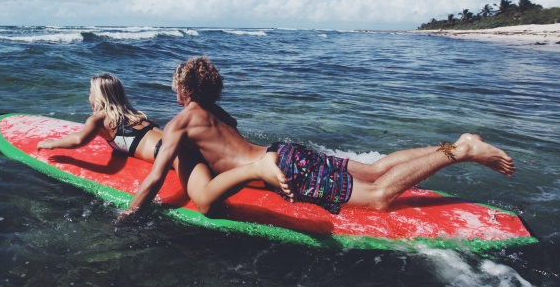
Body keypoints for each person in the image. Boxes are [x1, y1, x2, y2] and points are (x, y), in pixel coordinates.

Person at [120, 56, 516, 219]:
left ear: (184, 89)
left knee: (378, 198)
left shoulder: (179, 123)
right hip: (286, 151)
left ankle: (461, 151)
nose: (174, 92)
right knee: (376, 169)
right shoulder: (217, 112)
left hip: (282, 168)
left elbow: (156, 176)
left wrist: (130, 214)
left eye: (176, 86)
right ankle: (456, 141)